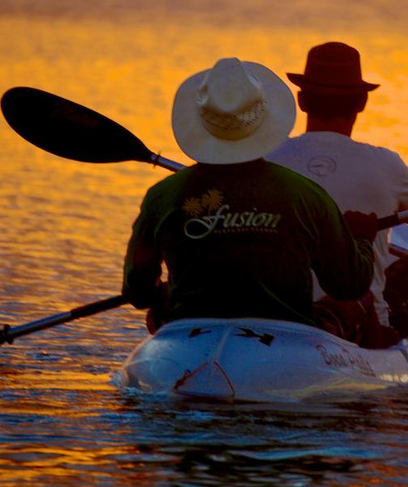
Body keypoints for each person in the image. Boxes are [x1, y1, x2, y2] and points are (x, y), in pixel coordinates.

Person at [122, 57, 375, 328]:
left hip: (189, 334)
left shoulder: (162, 197)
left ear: (201, 119)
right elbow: (348, 285)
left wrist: (163, 290)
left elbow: (137, 292)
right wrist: (361, 238)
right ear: (263, 120)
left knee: (156, 316)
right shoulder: (307, 195)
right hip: (287, 339)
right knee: (359, 305)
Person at [268, 42, 408, 343]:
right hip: (363, 326)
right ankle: (404, 336)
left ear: (302, 101)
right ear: (361, 103)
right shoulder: (387, 163)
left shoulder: (266, 158)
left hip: (277, 316)